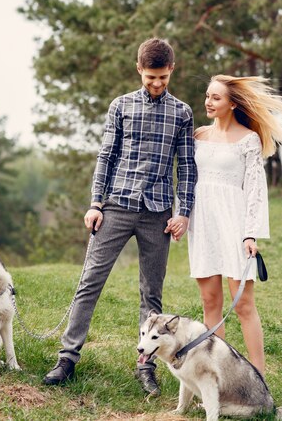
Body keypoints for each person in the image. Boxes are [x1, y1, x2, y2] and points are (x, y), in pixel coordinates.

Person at [44, 38, 196, 395]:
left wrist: (183, 212)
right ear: (139, 70)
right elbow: (106, 157)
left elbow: (187, 166)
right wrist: (95, 203)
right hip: (116, 206)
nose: (157, 84)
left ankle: (146, 366)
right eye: (150, 78)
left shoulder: (183, 113)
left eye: (162, 77)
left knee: (152, 295)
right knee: (90, 282)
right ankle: (67, 358)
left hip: (157, 213)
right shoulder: (121, 106)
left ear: (171, 69)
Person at [188, 74, 282, 376]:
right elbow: (189, 181)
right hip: (203, 225)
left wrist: (250, 234)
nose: (208, 101)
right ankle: (217, 376)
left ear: (232, 103)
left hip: (234, 225)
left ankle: (259, 377)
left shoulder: (248, 139)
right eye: (207, 95)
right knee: (209, 302)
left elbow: (256, 190)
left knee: (243, 305)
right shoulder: (198, 135)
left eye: (216, 97)